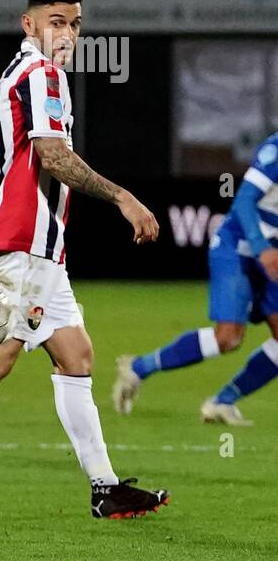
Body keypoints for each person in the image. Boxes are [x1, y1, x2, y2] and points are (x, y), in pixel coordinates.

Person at [0, 0, 169, 520]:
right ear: (30, 24)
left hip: (37, 242)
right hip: (26, 239)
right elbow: (52, 155)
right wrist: (124, 197)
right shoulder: (43, 74)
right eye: (56, 21)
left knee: (76, 356)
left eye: (75, 23)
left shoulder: (14, 73)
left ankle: (105, 488)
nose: (68, 33)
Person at [115, 131, 278, 426]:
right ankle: (138, 367)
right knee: (228, 338)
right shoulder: (276, 150)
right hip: (238, 248)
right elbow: (243, 202)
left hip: (272, 255)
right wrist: (262, 247)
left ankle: (222, 402)